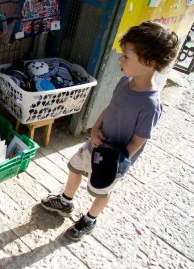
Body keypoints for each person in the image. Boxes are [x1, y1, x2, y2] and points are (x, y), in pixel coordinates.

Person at [41, 21, 179, 240]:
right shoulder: (124, 82)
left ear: (149, 62)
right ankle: (65, 201)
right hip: (95, 144)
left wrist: (115, 162)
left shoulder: (150, 105)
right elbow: (109, 108)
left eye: (126, 56)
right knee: (75, 167)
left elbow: (138, 141)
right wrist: (95, 130)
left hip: (113, 160)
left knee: (101, 191)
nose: (120, 59)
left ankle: (89, 219)